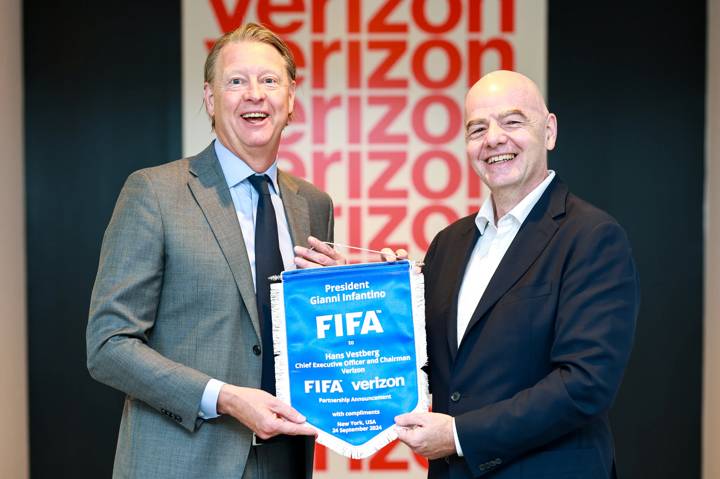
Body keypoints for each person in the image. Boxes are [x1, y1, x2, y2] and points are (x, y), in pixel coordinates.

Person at [296, 70, 639, 478]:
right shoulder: (450, 243)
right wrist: (355, 293)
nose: (493, 138)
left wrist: (461, 435)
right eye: (478, 128)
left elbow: (585, 385)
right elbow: (416, 353)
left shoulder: (592, 237)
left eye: (512, 122)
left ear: (549, 131)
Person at [87, 23, 331, 478]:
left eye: (270, 80)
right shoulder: (155, 193)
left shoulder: (312, 206)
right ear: (211, 99)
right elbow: (108, 345)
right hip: (182, 462)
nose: (254, 94)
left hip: (285, 461)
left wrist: (360, 286)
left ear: (291, 98)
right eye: (236, 81)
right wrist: (225, 397)